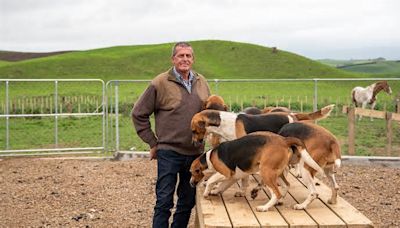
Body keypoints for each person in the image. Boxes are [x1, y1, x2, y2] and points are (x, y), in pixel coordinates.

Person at [131, 42, 210, 228]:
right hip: (169, 151)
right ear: (173, 59)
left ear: (193, 59)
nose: (185, 59)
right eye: (180, 56)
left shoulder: (202, 82)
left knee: (187, 201)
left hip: (195, 152)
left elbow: (208, 114)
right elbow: (138, 113)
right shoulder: (160, 83)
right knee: (164, 202)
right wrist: (152, 142)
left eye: (188, 56)